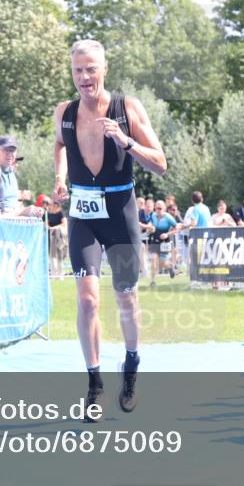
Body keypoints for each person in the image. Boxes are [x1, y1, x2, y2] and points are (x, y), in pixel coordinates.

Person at [53, 39, 167, 420]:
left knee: (125, 298)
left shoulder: (127, 108)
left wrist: (125, 140)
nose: (84, 77)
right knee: (87, 300)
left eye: (90, 69)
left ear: (104, 69)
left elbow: (161, 164)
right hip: (83, 214)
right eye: (77, 71)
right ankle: (94, 383)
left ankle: (131, 366)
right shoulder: (64, 112)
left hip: (120, 212)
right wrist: (60, 177)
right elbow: (59, 145)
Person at [0, 135, 43, 217]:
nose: (10, 154)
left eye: (13, 150)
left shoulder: (11, 173)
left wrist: (32, 210)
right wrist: (22, 212)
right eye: (6, 150)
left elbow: (13, 203)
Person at [146, 200, 180, 285]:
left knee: (162, 262)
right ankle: (152, 281)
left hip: (165, 242)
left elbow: (177, 228)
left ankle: (170, 268)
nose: (158, 210)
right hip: (155, 241)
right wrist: (150, 228)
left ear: (164, 208)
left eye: (160, 208)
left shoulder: (168, 217)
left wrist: (167, 234)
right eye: (157, 208)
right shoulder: (153, 215)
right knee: (154, 259)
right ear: (155, 208)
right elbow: (150, 224)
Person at [46, 200, 68, 278]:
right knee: (52, 256)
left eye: (52, 204)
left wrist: (53, 228)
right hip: (51, 236)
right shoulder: (49, 214)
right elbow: (47, 225)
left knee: (59, 255)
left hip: (60, 235)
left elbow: (64, 224)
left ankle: (60, 274)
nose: (51, 206)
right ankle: (54, 274)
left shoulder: (61, 213)